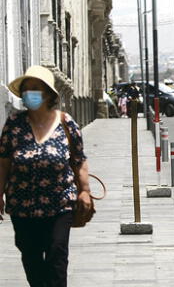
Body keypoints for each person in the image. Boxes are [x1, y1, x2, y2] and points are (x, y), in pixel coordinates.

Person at [0, 65, 92, 286]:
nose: (29, 93)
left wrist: (85, 192)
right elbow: (3, 163)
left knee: (57, 257)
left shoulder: (66, 123)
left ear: (49, 93)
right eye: (26, 89)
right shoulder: (14, 124)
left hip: (59, 204)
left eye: (36, 88)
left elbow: (79, 160)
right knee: (31, 259)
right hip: (22, 207)